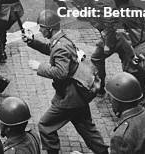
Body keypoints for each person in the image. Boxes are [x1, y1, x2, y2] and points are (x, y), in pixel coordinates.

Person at [22, 10, 108, 154]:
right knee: (87, 130)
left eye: (42, 28)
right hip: (78, 95)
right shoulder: (62, 40)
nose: (40, 31)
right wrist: (32, 41)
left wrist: (40, 67)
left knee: (45, 126)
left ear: (49, 29)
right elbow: (51, 50)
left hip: (69, 99)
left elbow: (61, 73)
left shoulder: (60, 46)